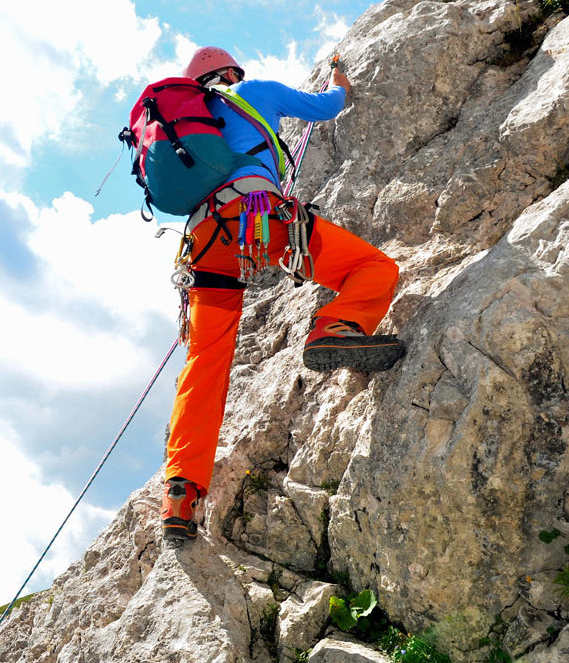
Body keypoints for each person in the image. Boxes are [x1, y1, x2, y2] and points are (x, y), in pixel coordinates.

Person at [161, 46, 405, 542]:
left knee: (204, 367)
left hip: (203, 245)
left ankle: (180, 500)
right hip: (258, 219)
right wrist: (340, 79)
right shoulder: (252, 93)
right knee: (372, 267)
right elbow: (328, 106)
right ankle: (335, 326)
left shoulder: (182, 130)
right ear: (228, 73)